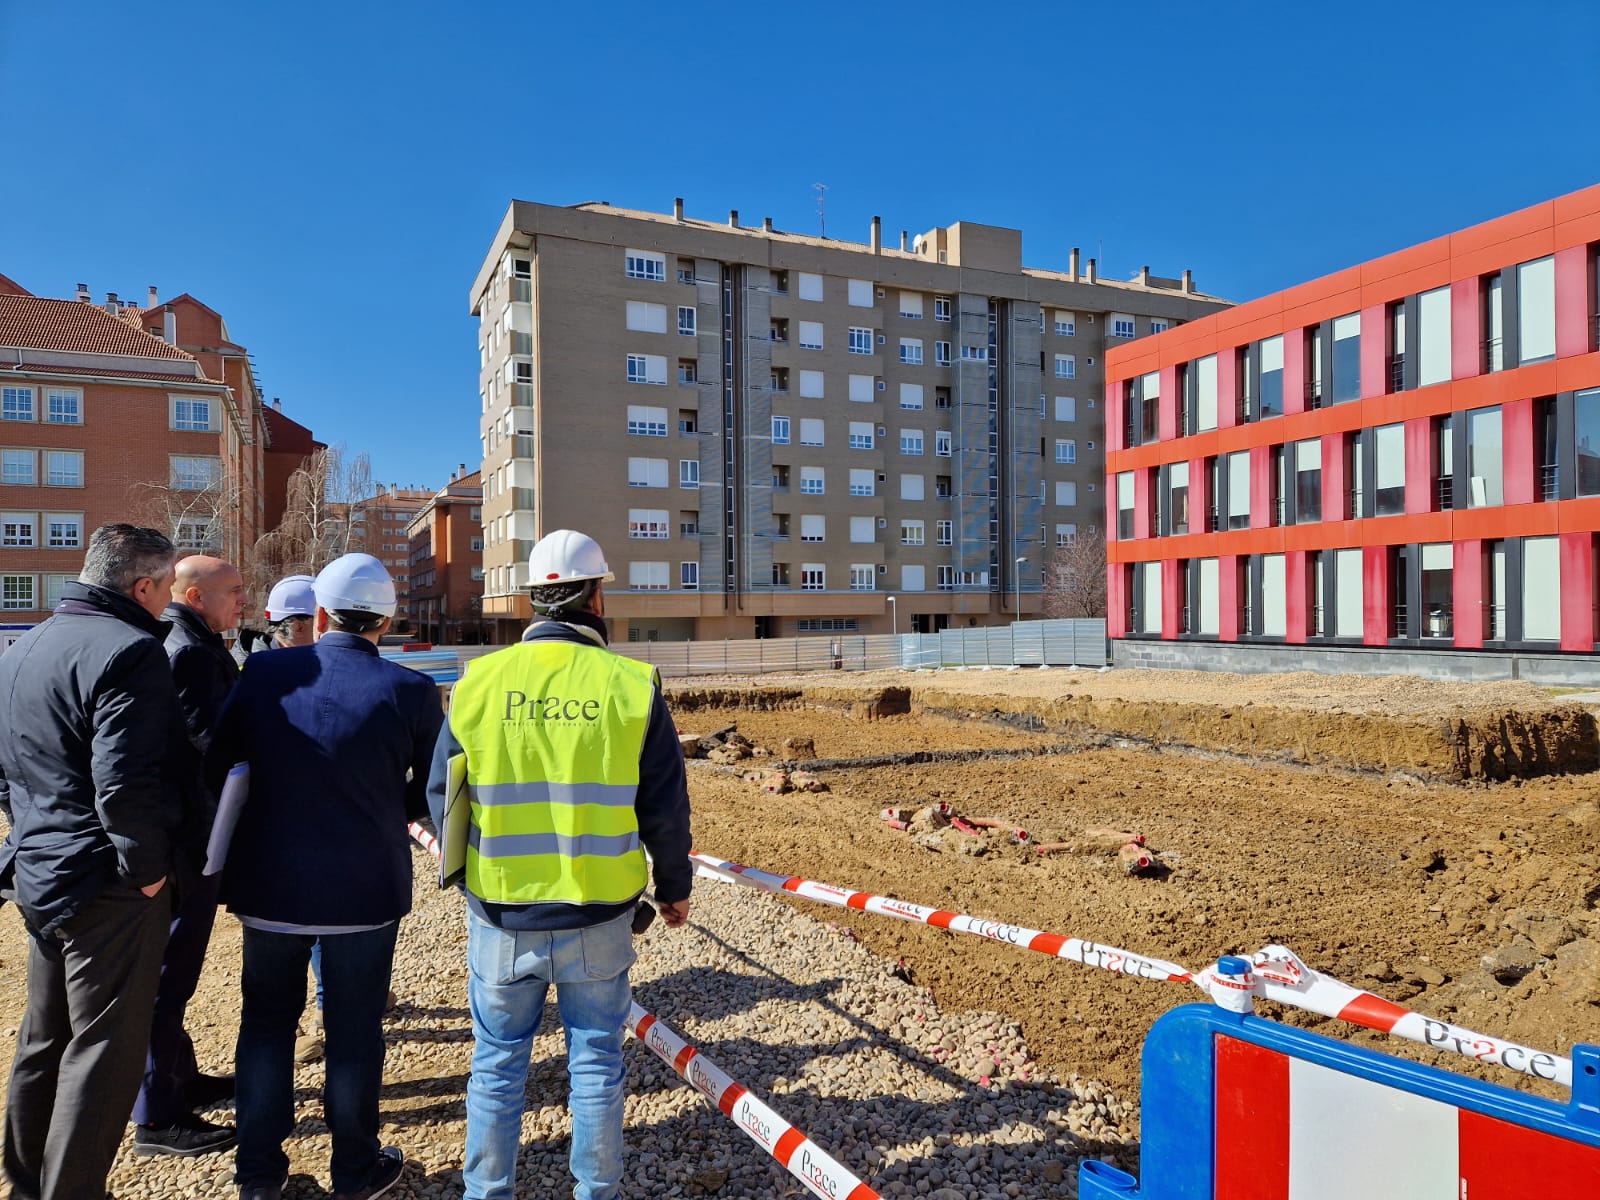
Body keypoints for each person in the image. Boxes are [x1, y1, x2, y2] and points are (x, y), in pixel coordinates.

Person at [428, 529, 692, 1200]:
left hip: (501, 913)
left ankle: (486, 1193)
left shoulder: (479, 681)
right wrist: (674, 889)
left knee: (494, 1065)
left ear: (532, 601)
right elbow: (664, 803)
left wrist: (466, 879)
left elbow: (443, 795)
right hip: (597, 914)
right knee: (597, 1064)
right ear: (596, 596)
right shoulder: (631, 685)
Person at [208, 553, 442, 1200]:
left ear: (319, 613)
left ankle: (257, 1172)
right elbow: (430, 790)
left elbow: (223, 761)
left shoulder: (264, 671)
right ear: (389, 618)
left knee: (264, 1024)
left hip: (270, 887)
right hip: (365, 893)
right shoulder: (411, 690)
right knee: (355, 1030)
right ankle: (355, 1168)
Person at [0, 524, 192, 1200]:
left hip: (39, 872)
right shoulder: (133, 651)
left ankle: (29, 1186)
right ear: (144, 586)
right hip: (107, 885)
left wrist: (29, 835)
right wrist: (147, 872)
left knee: (45, 1040)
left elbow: (10, 768)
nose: (171, 601)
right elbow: (125, 784)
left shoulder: (24, 648)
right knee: (103, 1051)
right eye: (167, 587)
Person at [132, 555, 249, 1156]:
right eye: (233, 591)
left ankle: (180, 1076)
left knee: (179, 970)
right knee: (167, 974)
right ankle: (156, 1114)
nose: (243, 601)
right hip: (192, 840)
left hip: (196, 835)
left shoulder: (194, 641)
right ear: (195, 596)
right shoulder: (190, 652)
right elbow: (205, 747)